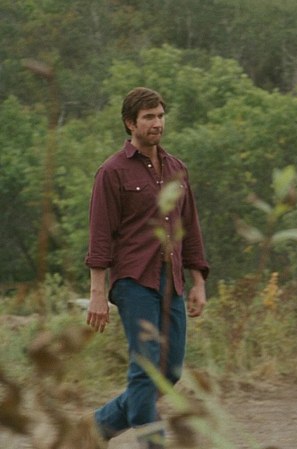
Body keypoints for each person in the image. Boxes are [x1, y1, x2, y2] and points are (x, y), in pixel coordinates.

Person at [84, 87, 209, 448]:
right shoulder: (111, 172)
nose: (157, 123)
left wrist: (198, 280)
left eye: (160, 115)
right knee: (145, 369)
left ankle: (94, 429)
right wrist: (97, 294)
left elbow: (190, 228)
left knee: (169, 371)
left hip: (173, 281)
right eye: (148, 117)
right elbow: (100, 236)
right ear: (130, 123)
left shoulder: (177, 169)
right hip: (133, 281)